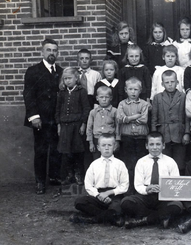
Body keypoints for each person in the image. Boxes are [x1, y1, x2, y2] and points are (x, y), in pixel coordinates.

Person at [23, 38, 63, 194]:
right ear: (42, 52)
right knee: (41, 149)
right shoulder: (33, 71)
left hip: (56, 118)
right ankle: (40, 181)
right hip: (41, 118)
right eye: (49, 50)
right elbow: (28, 95)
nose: (52, 53)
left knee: (56, 149)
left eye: (54, 50)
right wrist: (34, 116)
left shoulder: (61, 71)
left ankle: (54, 177)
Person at [120, 132, 183, 229]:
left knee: (177, 206)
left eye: (158, 144)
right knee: (126, 202)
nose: (155, 147)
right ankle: (159, 217)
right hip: (146, 197)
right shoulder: (141, 162)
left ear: (163, 145)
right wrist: (147, 189)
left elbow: (176, 184)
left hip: (163, 198)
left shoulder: (170, 162)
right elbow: (138, 185)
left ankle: (143, 220)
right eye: (151, 144)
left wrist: (165, 190)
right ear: (146, 146)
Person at [70, 134, 129, 227]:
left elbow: (124, 186)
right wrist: (98, 195)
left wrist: (108, 193)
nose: (106, 148)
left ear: (114, 147)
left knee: (117, 207)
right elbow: (88, 185)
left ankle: (91, 219)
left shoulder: (120, 164)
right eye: (103, 145)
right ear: (98, 147)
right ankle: (110, 217)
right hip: (98, 195)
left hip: (114, 195)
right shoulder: (94, 165)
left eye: (109, 145)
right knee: (79, 202)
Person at [55, 67, 91, 186]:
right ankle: (68, 174)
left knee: (77, 151)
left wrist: (83, 124)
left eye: (70, 78)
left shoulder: (81, 92)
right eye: (65, 79)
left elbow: (86, 109)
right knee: (66, 152)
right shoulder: (62, 93)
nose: (67, 81)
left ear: (76, 78)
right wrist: (59, 124)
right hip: (65, 126)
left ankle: (78, 174)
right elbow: (58, 110)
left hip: (77, 126)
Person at [151, 70, 190, 175]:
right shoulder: (157, 97)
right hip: (164, 134)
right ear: (162, 84)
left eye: (172, 82)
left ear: (177, 82)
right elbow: (154, 118)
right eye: (167, 82)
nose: (170, 85)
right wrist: (155, 135)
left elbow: (187, 116)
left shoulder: (183, 96)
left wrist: (187, 133)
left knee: (179, 163)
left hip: (179, 134)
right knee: (164, 163)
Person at [117, 77, 150, 188]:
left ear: (140, 90)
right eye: (130, 89)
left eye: (136, 89)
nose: (133, 92)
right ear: (126, 90)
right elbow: (119, 119)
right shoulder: (122, 104)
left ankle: (140, 187)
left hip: (141, 137)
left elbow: (144, 120)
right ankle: (129, 187)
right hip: (127, 137)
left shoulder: (144, 104)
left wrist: (127, 119)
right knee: (128, 163)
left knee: (141, 163)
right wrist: (136, 116)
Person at [86, 86, 120, 160]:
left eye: (106, 97)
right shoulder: (93, 112)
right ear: (97, 98)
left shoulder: (115, 111)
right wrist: (91, 143)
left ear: (111, 98)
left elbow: (118, 126)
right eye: (101, 97)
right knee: (97, 160)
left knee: (111, 159)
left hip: (110, 140)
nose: (104, 99)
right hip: (97, 140)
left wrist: (117, 141)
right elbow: (89, 128)